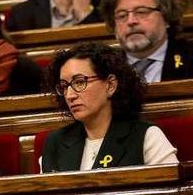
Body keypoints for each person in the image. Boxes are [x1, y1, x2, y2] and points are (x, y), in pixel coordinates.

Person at [41, 42, 178, 172]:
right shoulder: (55, 143)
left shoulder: (145, 137)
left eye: (79, 82)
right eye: (64, 86)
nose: (70, 95)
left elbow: (171, 194)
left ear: (110, 85)